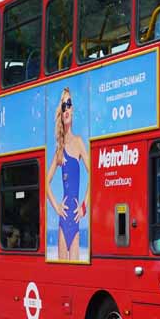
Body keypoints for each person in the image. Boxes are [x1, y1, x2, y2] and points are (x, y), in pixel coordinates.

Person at [46, 87, 90, 261]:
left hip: (76, 219)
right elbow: (46, 182)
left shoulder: (79, 142)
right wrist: (57, 207)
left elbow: (94, 175)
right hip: (63, 222)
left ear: (73, 109)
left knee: (76, 273)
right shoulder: (59, 150)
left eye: (69, 104)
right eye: (63, 106)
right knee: (63, 271)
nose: (66, 109)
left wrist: (84, 206)